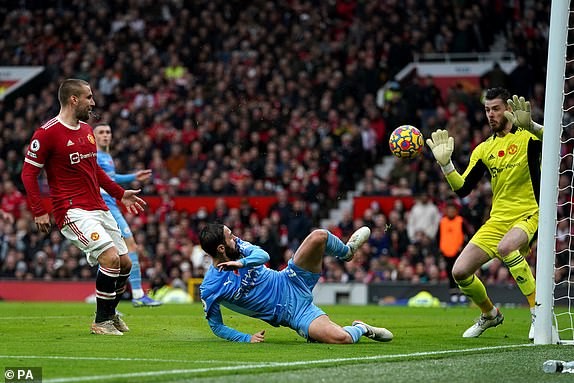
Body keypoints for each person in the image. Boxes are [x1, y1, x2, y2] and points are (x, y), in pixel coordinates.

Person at [21, 78, 146, 335]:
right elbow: (28, 174)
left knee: (125, 264)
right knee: (110, 258)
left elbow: (95, 170)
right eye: (89, 97)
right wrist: (38, 210)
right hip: (71, 210)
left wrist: (120, 194)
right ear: (73, 99)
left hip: (98, 206)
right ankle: (101, 323)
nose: (94, 102)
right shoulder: (47, 133)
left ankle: (110, 315)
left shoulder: (87, 131)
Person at [426, 88, 542, 339]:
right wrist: (446, 165)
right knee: (459, 271)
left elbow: (559, 139)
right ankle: (490, 314)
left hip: (530, 212)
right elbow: (463, 189)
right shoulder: (484, 149)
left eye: (496, 109)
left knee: (506, 247)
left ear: (508, 110)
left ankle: (538, 313)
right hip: (498, 219)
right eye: (487, 110)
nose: (490, 115)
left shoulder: (528, 138)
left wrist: (532, 126)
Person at [199, 223, 393, 343]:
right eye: (231, 236)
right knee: (342, 338)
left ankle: (347, 252)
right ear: (221, 248)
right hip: (292, 312)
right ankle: (362, 328)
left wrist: (241, 262)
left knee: (319, 236)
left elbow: (263, 255)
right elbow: (216, 326)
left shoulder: (239, 248)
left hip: (291, 278)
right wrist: (246, 338)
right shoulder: (210, 287)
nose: (236, 237)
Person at [93, 122, 162, 307]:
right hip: (105, 206)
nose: (105, 135)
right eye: (101, 132)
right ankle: (137, 295)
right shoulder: (95, 156)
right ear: (94, 136)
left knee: (114, 252)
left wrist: (133, 177)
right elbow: (101, 180)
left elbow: (111, 178)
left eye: (108, 132)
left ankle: (110, 298)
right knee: (129, 246)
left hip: (111, 205)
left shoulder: (106, 156)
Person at [438, 198, 473, 304]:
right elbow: (438, 237)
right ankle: (453, 293)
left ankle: (462, 293)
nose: (451, 211)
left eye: (452, 209)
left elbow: (469, 235)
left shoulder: (460, 221)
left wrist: (463, 246)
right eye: (449, 209)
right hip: (446, 252)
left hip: (459, 252)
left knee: (461, 272)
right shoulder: (442, 222)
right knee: (449, 273)